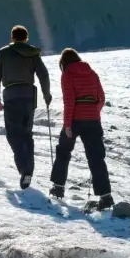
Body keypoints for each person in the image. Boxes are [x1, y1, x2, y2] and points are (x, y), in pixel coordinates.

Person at [49, 48, 113, 210]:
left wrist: (68, 125)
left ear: (63, 62)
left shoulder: (68, 74)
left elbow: (69, 101)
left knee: (63, 151)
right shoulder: (92, 73)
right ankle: (105, 196)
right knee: (96, 157)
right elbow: (101, 98)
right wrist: (94, 111)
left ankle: (58, 187)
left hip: (75, 119)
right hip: (93, 120)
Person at [0, 25, 51, 189]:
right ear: (26, 38)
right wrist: (47, 95)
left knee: (13, 135)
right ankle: (28, 170)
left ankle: (24, 170)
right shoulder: (33, 53)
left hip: (11, 96)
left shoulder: (3, 53)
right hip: (29, 97)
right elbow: (43, 74)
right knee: (26, 134)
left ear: (12, 37)